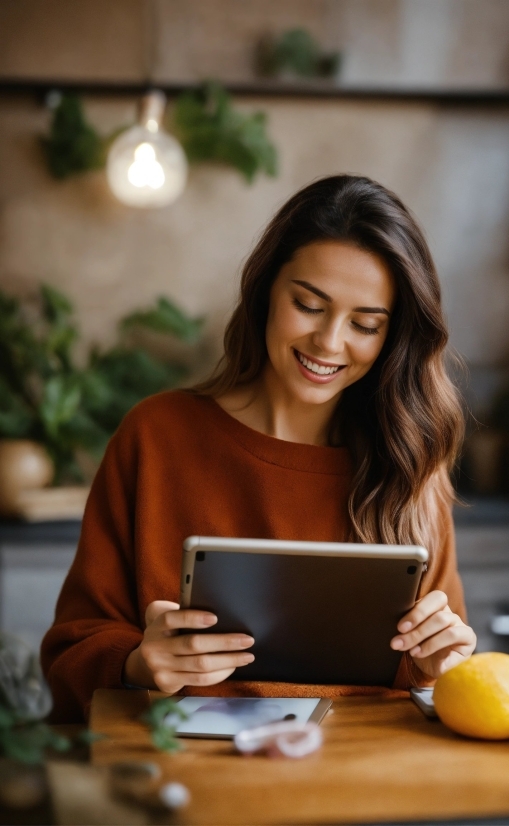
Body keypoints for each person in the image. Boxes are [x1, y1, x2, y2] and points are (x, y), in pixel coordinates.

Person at [41, 175, 476, 722]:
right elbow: (70, 655)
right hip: (189, 773)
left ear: (392, 338)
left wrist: (446, 661)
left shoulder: (410, 462)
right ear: (266, 289)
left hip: (363, 779)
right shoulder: (155, 436)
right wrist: (135, 663)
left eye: (365, 324)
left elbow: (440, 681)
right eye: (309, 305)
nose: (329, 342)